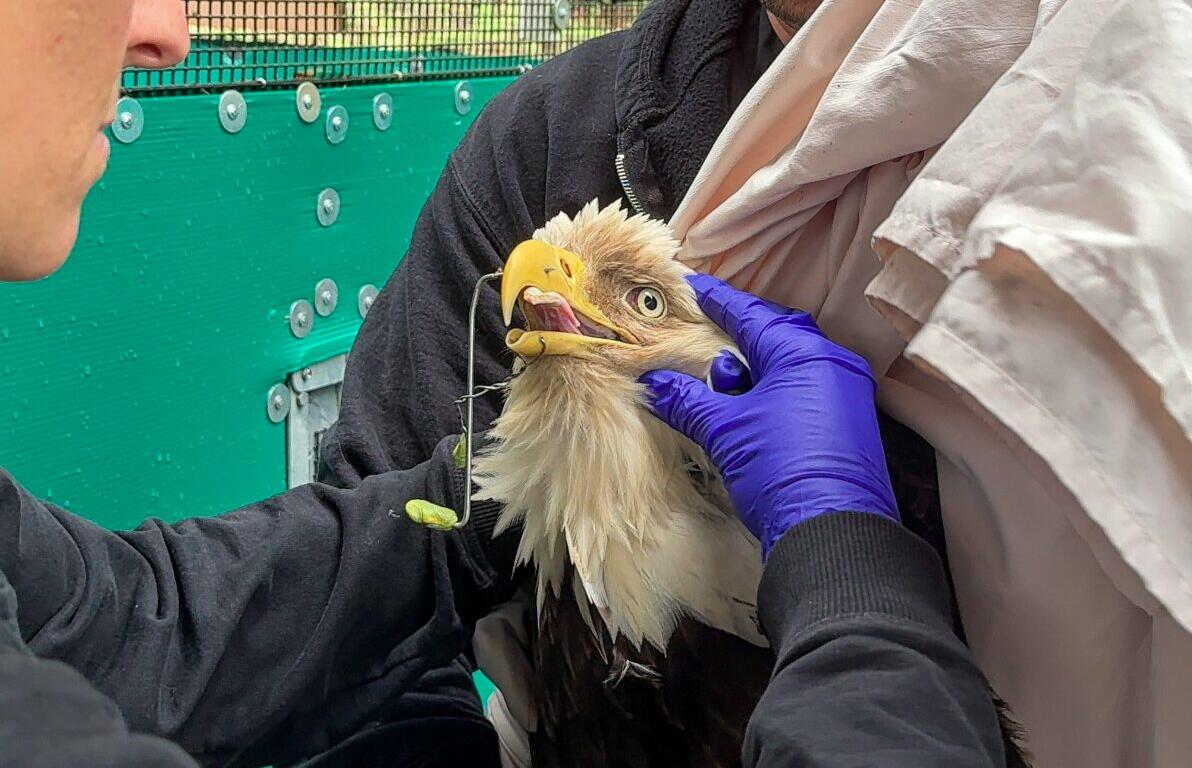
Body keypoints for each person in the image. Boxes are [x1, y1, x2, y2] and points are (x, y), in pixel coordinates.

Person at [0, 2, 1008, 768]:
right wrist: (858, 576)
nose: (168, 30)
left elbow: (119, 626)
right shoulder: (554, 139)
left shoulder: (1113, 145)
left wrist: (482, 511)